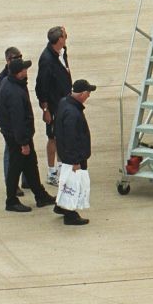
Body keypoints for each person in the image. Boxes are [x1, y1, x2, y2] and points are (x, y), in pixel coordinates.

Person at [0, 57, 57, 213]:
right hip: (18, 137)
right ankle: (11, 200)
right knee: (16, 167)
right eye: (24, 69)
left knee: (30, 164)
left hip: (16, 134)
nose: (27, 70)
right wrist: (23, 143)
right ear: (19, 73)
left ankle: (40, 195)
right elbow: (18, 119)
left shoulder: (10, 83)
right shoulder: (15, 92)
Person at [53, 79, 95, 226]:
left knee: (66, 181)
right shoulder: (72, 112)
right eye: (88, 93)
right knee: (73, 185)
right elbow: (71, 139)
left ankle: (60, 206)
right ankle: (70, 215)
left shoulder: (65, 102)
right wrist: (75, 161)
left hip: (67, 154)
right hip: (74, 157)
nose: (89, 95)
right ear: (82, 94)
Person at [35, 25, 71, 187]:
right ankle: (51, 172)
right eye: (64, 35)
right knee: (53, 137)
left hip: (63, 103)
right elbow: (41, 87)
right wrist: (45, 109)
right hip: (54, 105)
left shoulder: (61, 52)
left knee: (62, 136)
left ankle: (62, 169)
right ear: (59, 40)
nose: (67, 37)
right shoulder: (47, 60)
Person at [0, 46, 25, 202]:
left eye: (20, 56)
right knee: (11, 153)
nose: (19, 60)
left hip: (20, 124)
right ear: (7, 61)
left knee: (26, 150)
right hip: (11, 127)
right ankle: (11, 183)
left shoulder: (19, 74)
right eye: (15, 58)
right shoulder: (3, 80)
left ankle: (26, 179)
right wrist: (8, 127)